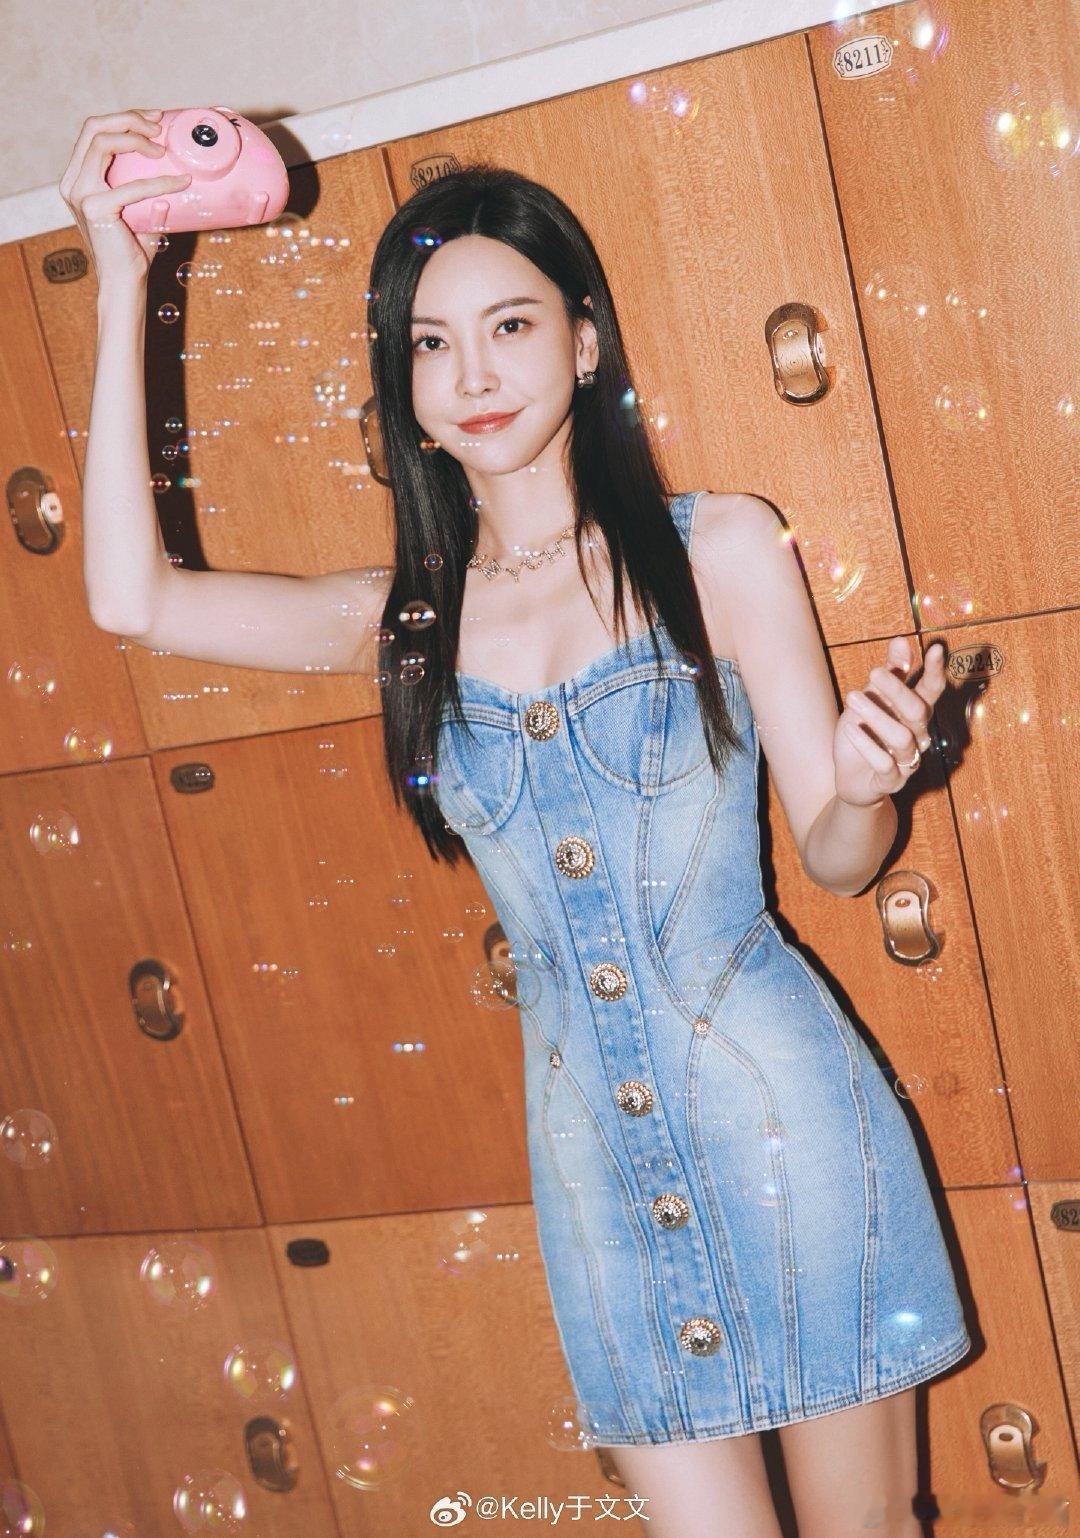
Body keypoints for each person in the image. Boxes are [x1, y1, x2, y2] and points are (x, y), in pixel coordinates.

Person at [64, 111, 971, 1538]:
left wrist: (866, 786)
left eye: (510, 326)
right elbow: (135, 599)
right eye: (431, 343)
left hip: (789, 1131)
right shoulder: (405, 622)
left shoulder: (720, 549)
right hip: (595, 1173)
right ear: (403, 382)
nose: (473, 374)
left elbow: (838, 861)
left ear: (586, 342)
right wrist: (122, 277)